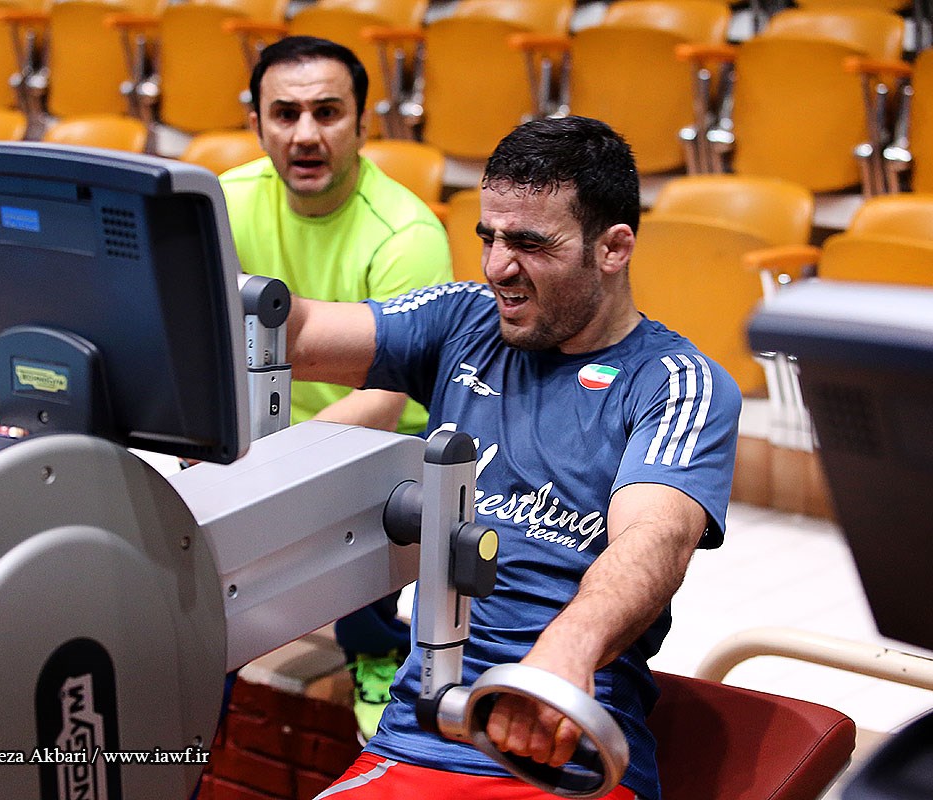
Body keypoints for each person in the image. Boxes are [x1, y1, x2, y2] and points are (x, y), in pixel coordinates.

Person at [284, 116, 743, 800]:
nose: (498, 266)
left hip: (559, 747)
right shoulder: (462, 321)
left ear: (613, 248)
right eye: (489, 238)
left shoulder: (674, 382)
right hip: (416, 734)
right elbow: (299, 331)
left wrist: (564, 653)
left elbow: (654, 540)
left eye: (530, 243)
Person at [218, 36, 453, 741]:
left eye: (327, 112)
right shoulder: (222, 205)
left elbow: (385, 402)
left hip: (378, 441)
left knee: (384, 491)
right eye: (284, 113)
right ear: (256, 123)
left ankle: (376, 649)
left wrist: (270, 466)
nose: (305, 134)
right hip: (255, 436)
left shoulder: (406, 234)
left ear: (362, 124)